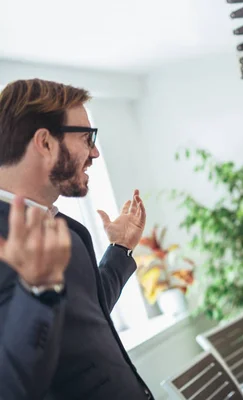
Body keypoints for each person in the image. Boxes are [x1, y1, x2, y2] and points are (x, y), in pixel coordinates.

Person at [0, 79, 153, 399]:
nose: (95, 152)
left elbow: (83, 315)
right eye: (87, 137)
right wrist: (37, 293)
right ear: (45, 143)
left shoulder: (59, 225)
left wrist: (120, 248)